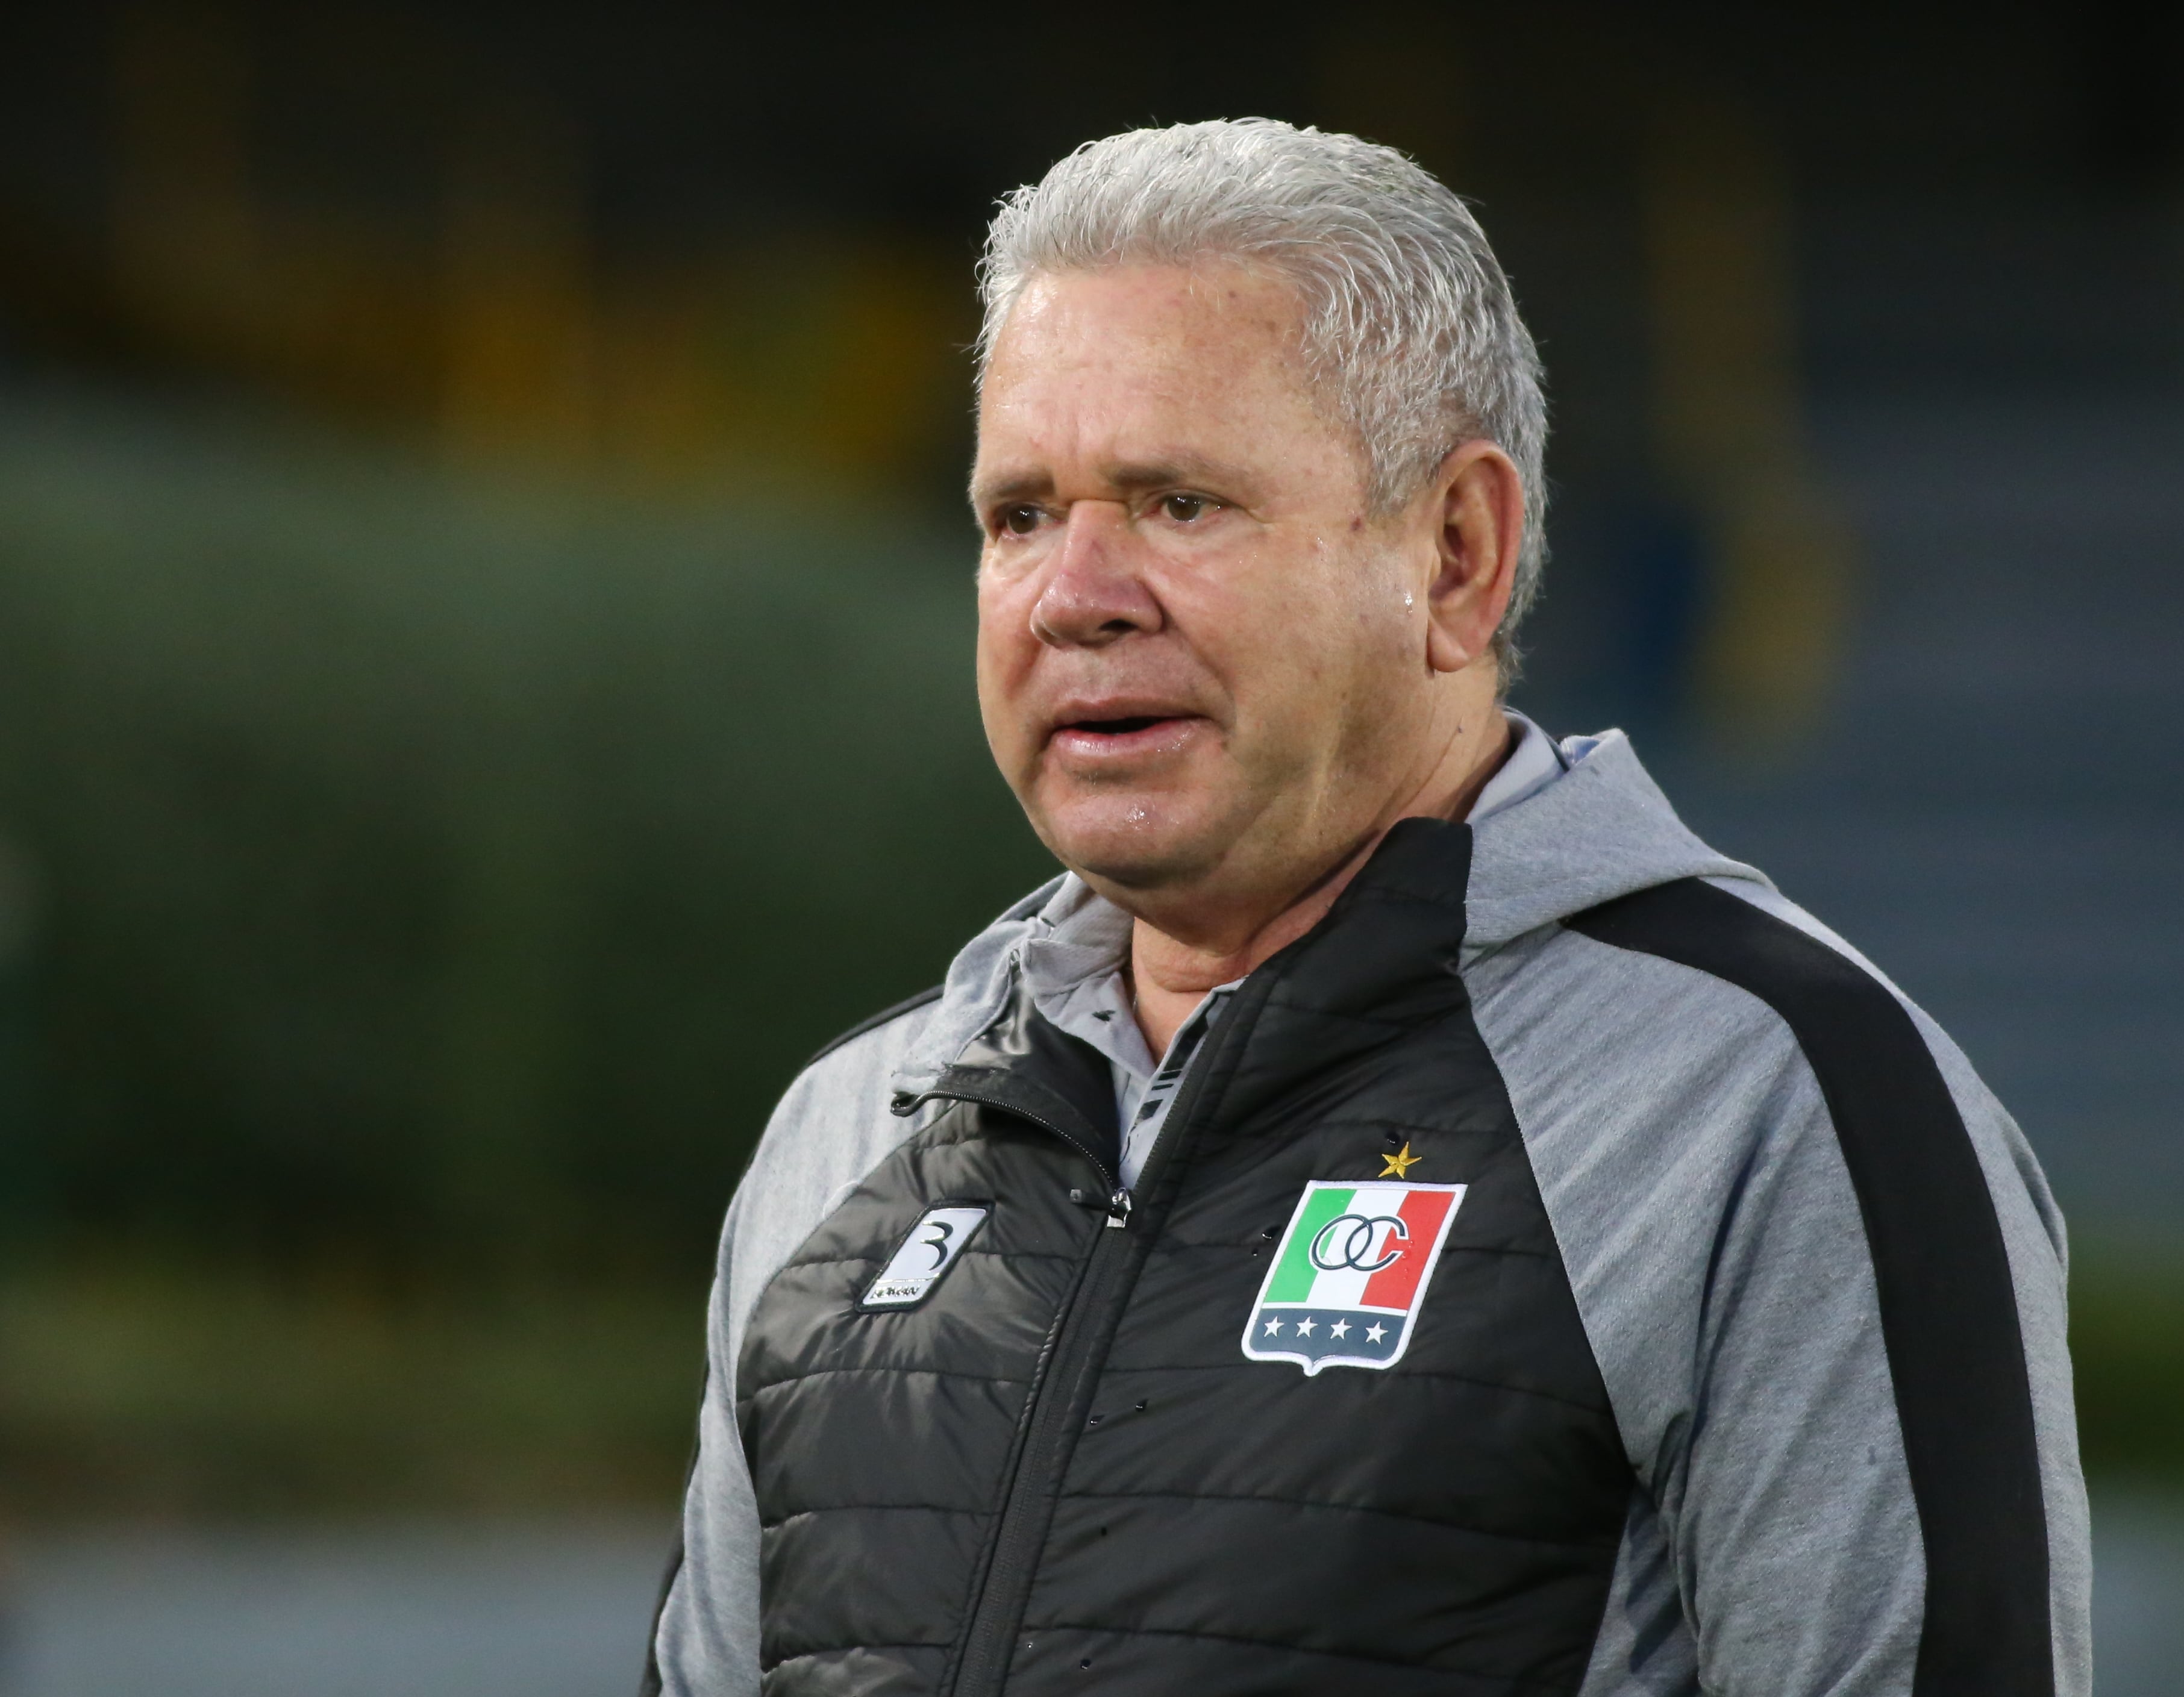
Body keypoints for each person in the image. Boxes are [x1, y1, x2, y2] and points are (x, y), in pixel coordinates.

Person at [642, 118, 2089, 1697]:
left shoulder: (1769, 1101)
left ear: (1457, 555)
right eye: (1018, 516)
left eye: (1180, 501)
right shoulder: (848, 1131)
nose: (1075, 593)